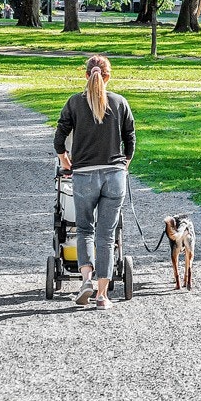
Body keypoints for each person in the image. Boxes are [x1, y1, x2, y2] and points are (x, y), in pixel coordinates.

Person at [53, 55, 135, 309]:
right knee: (107, 235)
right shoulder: (120, 103)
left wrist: (65, 160)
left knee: (85, 229)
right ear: (108, 76)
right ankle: (102, 295)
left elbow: (60, 134)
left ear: (86, 75)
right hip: (114, 175)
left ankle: (85, 280)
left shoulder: (75, 103)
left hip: (85, 174)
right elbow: (130, 137)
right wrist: (125, 165)